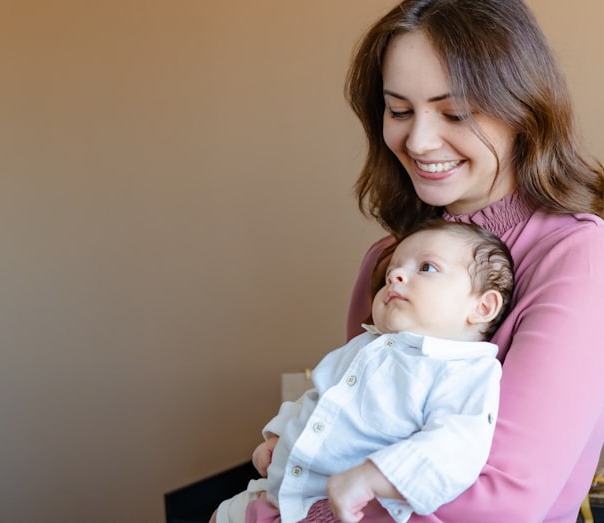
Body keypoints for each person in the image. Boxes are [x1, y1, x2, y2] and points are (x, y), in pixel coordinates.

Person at [343, 0, 604, 523]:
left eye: (454, 113)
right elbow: (342, 432)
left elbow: (499, 504)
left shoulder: (583, 261)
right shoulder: (388, 263)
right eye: (400, 111)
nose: (419, 140)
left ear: (522, 108)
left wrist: (287, 515)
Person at [211, 220, 516, 523]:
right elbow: (320, 396)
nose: (396, 276)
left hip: (339, 507)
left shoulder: (464, 370)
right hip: (280, 493)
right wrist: (278, 436)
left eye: (426, 268)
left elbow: (455, 445)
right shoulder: (366, 345)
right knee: (219, 515)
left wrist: (373, 476)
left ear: (482, 307)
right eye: (390, 274)